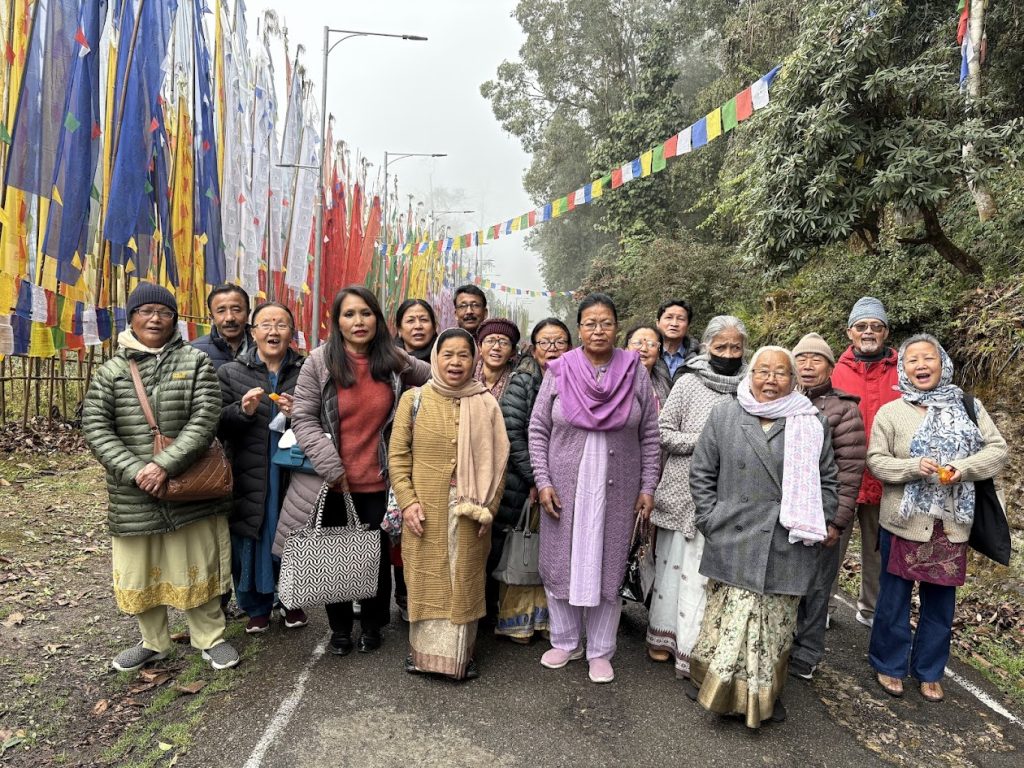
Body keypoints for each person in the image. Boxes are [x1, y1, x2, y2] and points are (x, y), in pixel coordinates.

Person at [82, 282, 239, 672]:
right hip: (134, 493)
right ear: (131, 317)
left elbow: (205, 419)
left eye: (164, 312)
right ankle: (153, 641)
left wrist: (164, 465)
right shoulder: (111, 371)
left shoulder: (195, 362)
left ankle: (210, 637)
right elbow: (96, 429)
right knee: (141, 567)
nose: (155, 318)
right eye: (146, 311)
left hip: (191, 486)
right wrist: (137, 471)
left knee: (197, 561)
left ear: (175, 319)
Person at [273, 286, 430, 656]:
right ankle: (340, 629)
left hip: (378, 481)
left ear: (378, 318)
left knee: (373, 560)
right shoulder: (319, 362)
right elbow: (305, 418)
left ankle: (373, 625)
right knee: (333, 556)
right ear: (337, 321)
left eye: (366, 313)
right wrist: (332, 467)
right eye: (349, 314)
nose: (358, 322)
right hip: (331, 482)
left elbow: (436, 376)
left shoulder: (392, 359)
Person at [687, 346, 838, 728]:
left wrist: (814, 524)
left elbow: (827, 481)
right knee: (728, 620)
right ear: (750, 374)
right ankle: (712, 685)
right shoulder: (725, 413)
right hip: (732, 534)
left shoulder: (810, 420)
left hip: (787, 539)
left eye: (780, 373)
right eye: (763, 371)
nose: (770, 380)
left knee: (772, 626)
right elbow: (702, 471)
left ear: (794, 380)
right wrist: (710, 519)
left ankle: (764, 696)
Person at [867, 335, 1007, 703]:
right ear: (903, 368)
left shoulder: (968, 406)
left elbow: (997, 450)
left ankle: (929, 670)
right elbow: (877, 461)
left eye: (928, 358)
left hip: (951, 523)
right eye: (912, 360)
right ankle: (889, 663)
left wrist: (963, 467)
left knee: (941, 603)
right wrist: (912, 467)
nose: (921, 365)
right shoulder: (891, 412)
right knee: (894, 599)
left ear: (942, 363)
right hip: (904, 520)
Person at [529, 293, 660, 684]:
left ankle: (601, 650)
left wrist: (648, 486)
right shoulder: (559, 369)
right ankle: (565, 642)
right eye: (589, 323)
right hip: (566, 489)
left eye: (605, 322)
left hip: (618, 490)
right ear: (579, 329)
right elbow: (538, 430)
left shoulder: (634, 370)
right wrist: (544, 480)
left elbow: (650, 434)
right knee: (562, 562)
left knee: (608, 564)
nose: (598, 330)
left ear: (616, 327)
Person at [388, 329, 510, 680]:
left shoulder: (487, 403)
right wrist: (408, 503)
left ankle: (460, 659)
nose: (455, 362)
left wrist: (490, 506)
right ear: (435, 358)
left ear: (474, 361)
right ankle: (422, 656)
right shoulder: (414, 400)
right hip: (423, 509)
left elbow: (500, 461)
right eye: (448, 354)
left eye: (463, 355)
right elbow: (397, 457)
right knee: (426, 577)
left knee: (464, 580)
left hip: (470, 509)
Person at [645, 316, 749, 678]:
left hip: (728, 496)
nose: (729, 353)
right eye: (721, 347)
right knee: (674, 570)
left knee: (707, 576)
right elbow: (663, 433)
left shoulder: (749, 388)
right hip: (681, 490)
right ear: (706, 347)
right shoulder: (688, 382)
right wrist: (705, 444)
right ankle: (663, 638)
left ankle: (697, 650)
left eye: (735, 348)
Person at [217, 302, 306, 634]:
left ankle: (292, 601)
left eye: (281, 325)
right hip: (249, 470)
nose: (273, 331)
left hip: (291, 470)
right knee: (250, 535)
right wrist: (242, 410)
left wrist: (299, 414)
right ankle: (255, 606)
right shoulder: (230, 373)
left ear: (291, 333)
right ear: (252, 331)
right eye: (266, 324)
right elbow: (217, 424)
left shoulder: (306, 370)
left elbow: (326, 417)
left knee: (291, 532)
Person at [788, 333, 866, 680]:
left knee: (818, 586)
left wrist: (837, 521)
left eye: (816, 359)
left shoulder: (844, 409)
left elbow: (850, 471)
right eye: (801, 358)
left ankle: (808, 650)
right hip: (785, 511)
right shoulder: (781, 401)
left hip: (821, 511)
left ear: (831, 367)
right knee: (786, 581)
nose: (807, 365)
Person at [495, 318, 573, 643]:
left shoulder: (577, 380)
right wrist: (536, 477)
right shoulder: (523, 381)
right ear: (533, 347)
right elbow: (512, 432)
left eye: (559, 343)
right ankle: (517, 622)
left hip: (564, 480)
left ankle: (548, 621)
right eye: (545, 343)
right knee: (524, 547)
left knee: (553, 552)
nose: (552, 350)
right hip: (525, 482)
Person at [830, 296, 900, 628]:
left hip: (886, 476)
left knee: (878, 549)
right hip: (842, 474)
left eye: (876, 326)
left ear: (886, 332)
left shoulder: (903, 370)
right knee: (830, 543)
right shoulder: (835, 370)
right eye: (862, 326)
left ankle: (871, 609)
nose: (868, 331)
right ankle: (823, 606)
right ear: (850, 332)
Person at [193, 284, 253, 370]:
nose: (229, 318)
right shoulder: (194, 352)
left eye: (236, 310)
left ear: (248, 313)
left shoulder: (264, 348)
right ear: (212, 317)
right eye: (221, 311)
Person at [652, 299, 695, 392]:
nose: (674, 324)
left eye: (680, 319)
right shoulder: (646, 354)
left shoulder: (698, 358)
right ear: (657, 323)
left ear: (688, 325)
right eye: (669, 317)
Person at [623, 324, 669, 406]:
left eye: (651, 344)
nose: (644, 349)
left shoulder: (665, 382)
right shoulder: (612, 380)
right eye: (637, 343)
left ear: (659, 353)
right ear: (626, 349)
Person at [394, 298, 438, 363]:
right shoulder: (387, 361)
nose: (418, 326)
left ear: (434, 327)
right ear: (399, 330)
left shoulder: (442, 359)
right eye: (410, 321)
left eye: (424, 320)